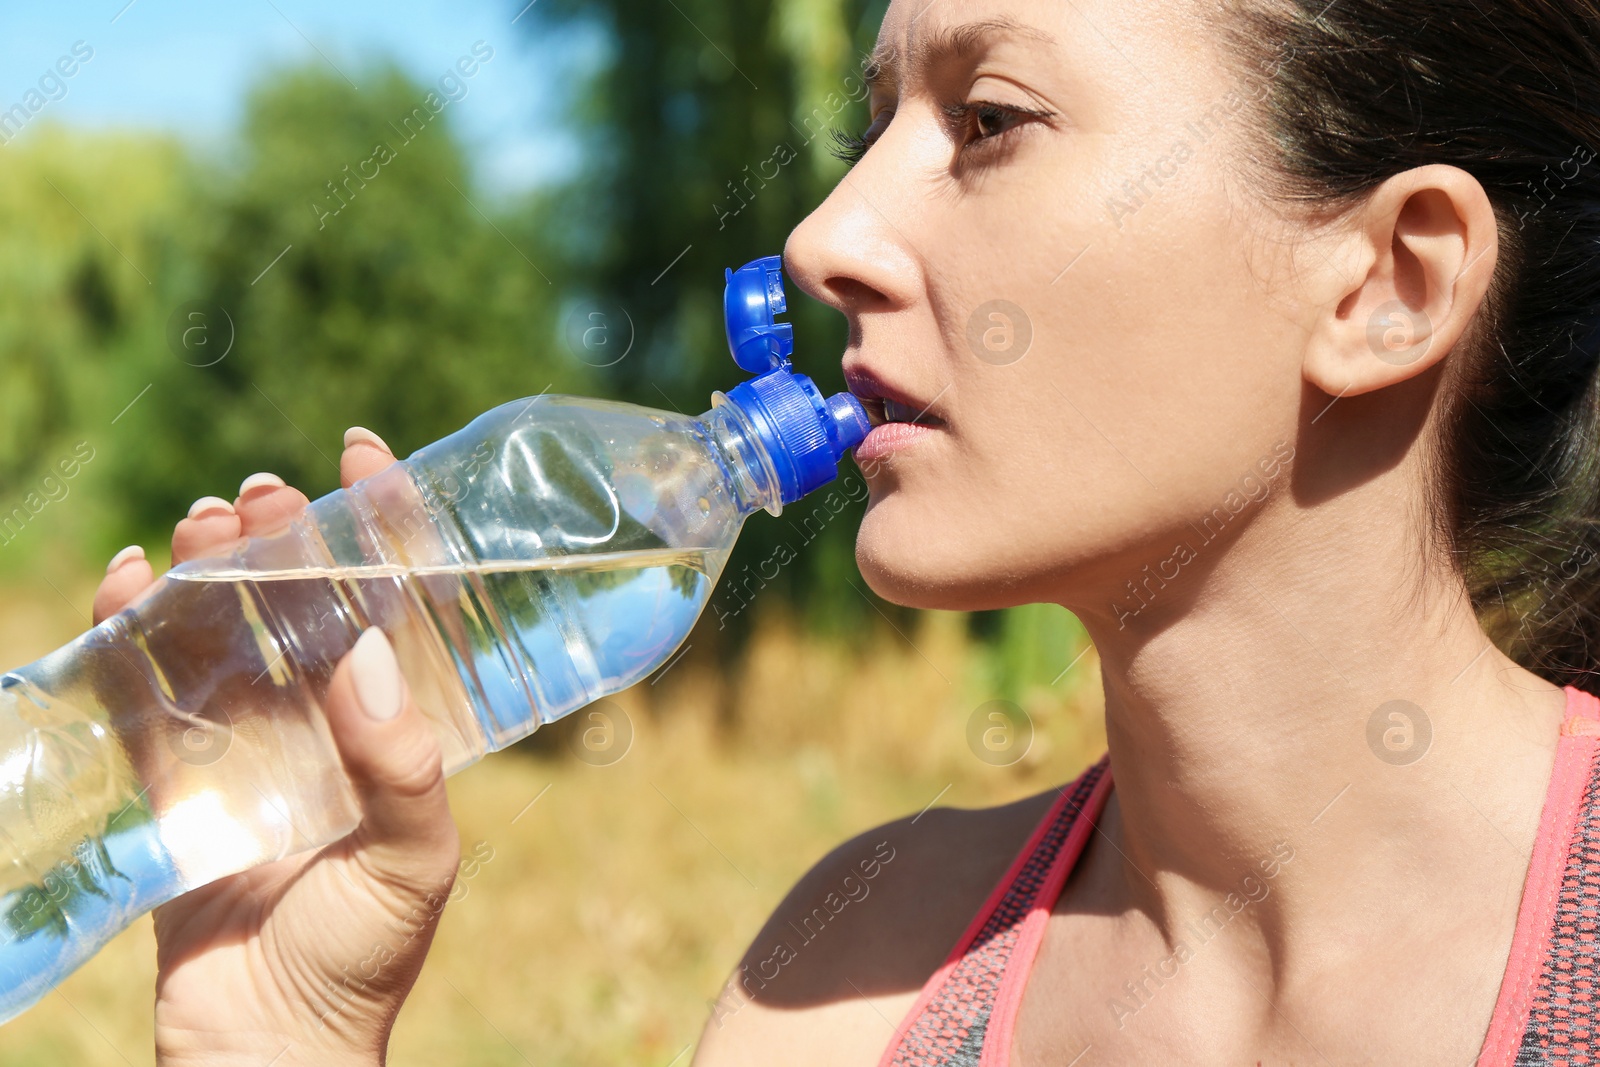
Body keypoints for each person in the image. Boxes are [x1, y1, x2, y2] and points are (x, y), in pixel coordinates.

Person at [97, 0, 1600, 1061]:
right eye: (880, 119)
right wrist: (277, 1041)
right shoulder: (850, 983)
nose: (825, 238)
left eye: (989, 120)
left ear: (1391, 283)